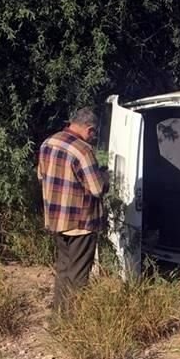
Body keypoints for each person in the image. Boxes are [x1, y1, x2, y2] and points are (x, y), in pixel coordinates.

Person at [37, 107, 110, 312]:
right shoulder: (83, 150)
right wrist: (106, 177)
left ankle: (58, 317)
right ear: (90, 129)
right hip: (81, 223)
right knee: (78, 275)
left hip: (56, 220)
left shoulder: (48, 143)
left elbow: (41, 175)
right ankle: (73, 323)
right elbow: (97, 188)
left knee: (63, 270)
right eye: (93, 133)